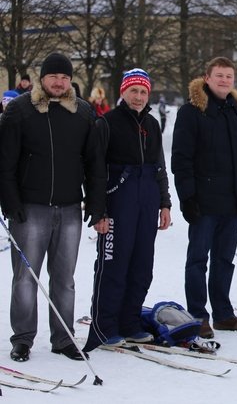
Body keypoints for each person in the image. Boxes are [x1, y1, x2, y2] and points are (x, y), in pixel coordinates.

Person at [0, 52, 105, 362]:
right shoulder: (20, 110)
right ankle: (22, 338)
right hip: (30, 209)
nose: (59, 82)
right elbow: (5, 162)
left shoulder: (83, 112)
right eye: (53, 76)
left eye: (63, 77)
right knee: (25, 278)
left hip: (70, 207)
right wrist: (10, 202)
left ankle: (62, 337)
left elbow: (94, 163)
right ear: (42, 78)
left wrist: (96, 203)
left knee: (64, 279)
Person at [83, 69, 172, 351]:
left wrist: (165, 203)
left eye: (143, 92)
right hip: (118, 199)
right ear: (123, 92)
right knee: (114, 266)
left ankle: (129, 322)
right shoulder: (106, 123)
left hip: (146, 199)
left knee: (142, 265)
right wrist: (99, 212)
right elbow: (94, 170)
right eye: (133, 91)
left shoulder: (152, 124)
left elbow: (159, 167)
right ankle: (105, 326)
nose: (138, 97)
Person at [172, 57, 237, 338]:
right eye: (219, 76)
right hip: (203, 201)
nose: (224, 81)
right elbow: (181, 159)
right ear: (206, 78)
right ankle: (198, 314)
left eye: (229, 76)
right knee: (198, 260)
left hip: (230, 202)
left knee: (225, 260)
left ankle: (223, 314)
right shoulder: (192, 111)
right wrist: (187, 198)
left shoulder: (235, 111)